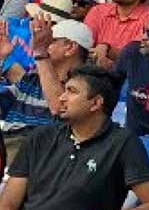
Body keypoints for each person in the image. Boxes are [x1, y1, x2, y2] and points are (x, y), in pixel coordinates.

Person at [0, 63, 149, 210]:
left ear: (96, 103)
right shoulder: (41, 136)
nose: (62, 97)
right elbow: (6, 206)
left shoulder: (123, 143)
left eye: (72, 91)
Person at [0, 16, 90, 155]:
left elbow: (59, 108)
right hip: (9, 147)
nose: (40, 42)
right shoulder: (32, 79)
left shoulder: (87, 83)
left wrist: (41, 53)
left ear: (71, 47)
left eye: (51, 41)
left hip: (45, 155)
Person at [84, 0, 149, 69]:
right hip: (95, 67)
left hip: (129, 74)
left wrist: (107, 49)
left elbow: (138, 56)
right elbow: (84, 45)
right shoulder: (98, 10)